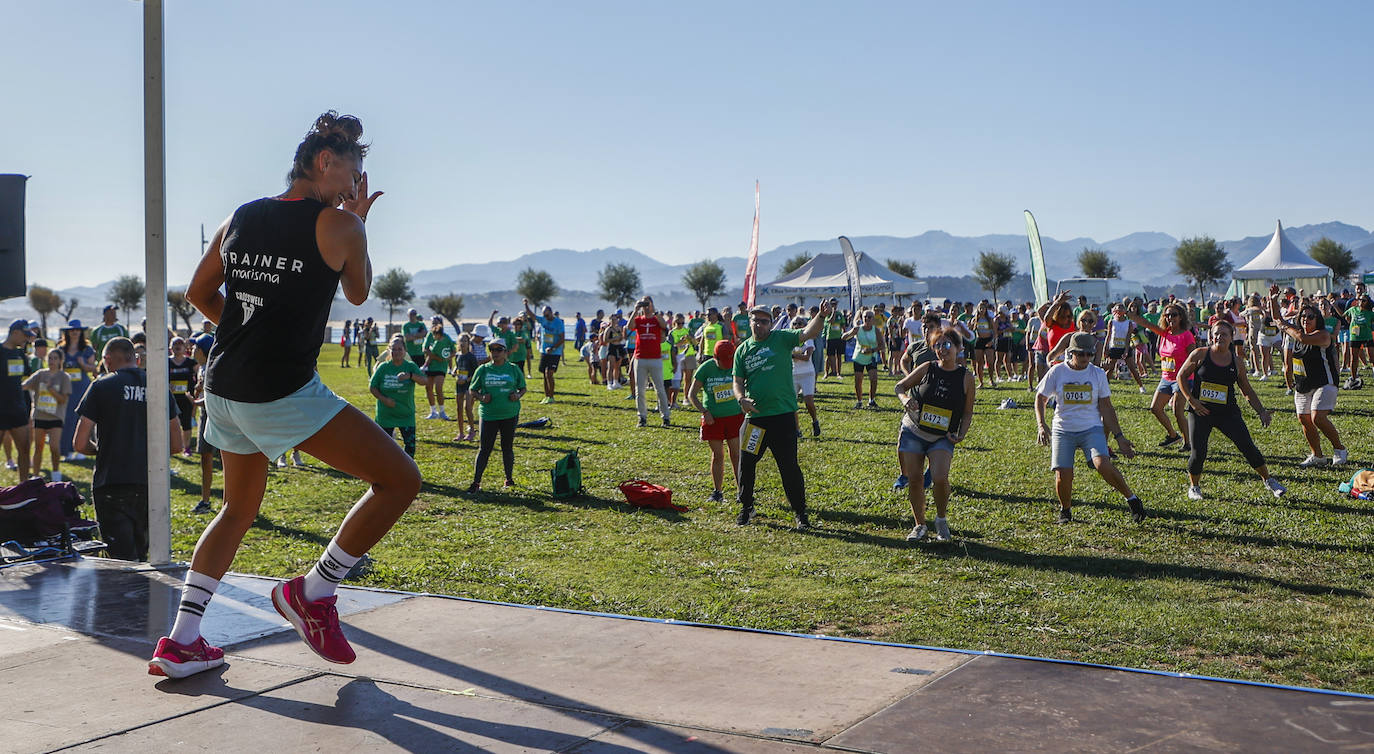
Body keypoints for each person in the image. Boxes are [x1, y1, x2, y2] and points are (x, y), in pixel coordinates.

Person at [149, 111, 419, 680]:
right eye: (353, 171)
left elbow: (199, 292)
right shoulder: (341, 225)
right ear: (325, 161)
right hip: (280, 391)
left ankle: (181, 640)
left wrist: (246, 337)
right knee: (399, 480)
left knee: (237, 509)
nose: (355, 185)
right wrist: (359, 225)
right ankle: (314, 591)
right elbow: (360, 291)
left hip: (222, 387)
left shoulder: (241, 216)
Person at [73, 337, 183, 560]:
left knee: (119, 563)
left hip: (111, 481)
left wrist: (101, 450)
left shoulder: (101, 385)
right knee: (143, 558)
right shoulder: (158, 386)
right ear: (137, 359)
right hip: (150, 482)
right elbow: (177, 444)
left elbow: (79, 442)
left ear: (107, 360)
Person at [733, 301, 834, 529]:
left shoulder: (782, 338)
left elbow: (810, 332)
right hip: (755, 419)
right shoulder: (743, 349)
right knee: (747, 464)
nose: (759, 325)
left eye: (764, 321)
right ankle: (747, 507)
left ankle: (800, 513)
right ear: (750, 322)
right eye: (755, 320)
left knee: (789, 467)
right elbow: (737, 381)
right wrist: (741, 399)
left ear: (771, 323)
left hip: (782, 417)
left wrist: (821, 316)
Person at [1034, 333, 1147, 524]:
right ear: (1071, 353)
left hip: (1091, 428)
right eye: (1081, 354)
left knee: (1102, 464)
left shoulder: (1097, 374)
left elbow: (1106, 407)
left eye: (1089, 354)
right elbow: (1041, 398)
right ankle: (1065, 510)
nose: (1086, 358)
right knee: (1063, 473)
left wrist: (1119, 437)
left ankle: (1133, 500)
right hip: (1063, 429)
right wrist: (1041, 424)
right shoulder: (1057, 372)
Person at [1174, 320, 1286, 500]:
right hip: (1201, 411)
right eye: (1216, 333)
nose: (1219, 337)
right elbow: (1181, 376)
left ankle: (1269, 480)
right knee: (1198, 451)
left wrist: (1261, 411)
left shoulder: (1237, 362)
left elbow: (1246, 389)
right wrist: (1192, 401)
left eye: (1224, 334)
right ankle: (1194, 487)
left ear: (1232, 338)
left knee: (1247, 446)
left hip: (1227, 412)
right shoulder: (1200, 354)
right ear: (1211, 336)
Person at [894, 327, 976, 542]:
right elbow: (900, 386)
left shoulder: (967, 378)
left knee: (940, 478)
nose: (942, 349)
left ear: (958, 348)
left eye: (947, 344)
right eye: (937, 345)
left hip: (942, 436)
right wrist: (904, 400)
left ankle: (940, 519)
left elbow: (967, 412)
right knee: (914, 480)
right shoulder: (927, 367)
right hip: (914, 430)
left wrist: (962, 434)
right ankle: (919, 525)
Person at [1268, 288, 1346, 466]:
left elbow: (1301, 337)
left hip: (1324, 382)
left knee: (1317, 417)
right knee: (1304, 418)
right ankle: (1317, 455)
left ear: (1317, 319)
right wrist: (1273, 300)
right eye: (1303, 317)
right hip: (1303, 384)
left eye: (1310, 317)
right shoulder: (1295, 331)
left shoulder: (1323, 335)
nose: (1306, 320)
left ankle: (1339, 449)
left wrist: (1285, 326)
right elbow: (1277, 320)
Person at [1126, 301, 1193, 450]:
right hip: (1166, 378)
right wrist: (1129, 314)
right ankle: (1173, 435)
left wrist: (1187, 378)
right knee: (1155, 408)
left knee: (1177, 410)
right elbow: (1145, 323)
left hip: (1182, 378)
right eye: (1167, 315)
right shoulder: (1164, 333)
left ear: (1181, 317)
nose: (1170, 318)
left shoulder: (1186, 336)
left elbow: (1194, 359)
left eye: (1174, 315)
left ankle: (1188, 443)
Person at [686, 340, 744, 503]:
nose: (726, 365)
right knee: (718, 455)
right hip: (713, 420)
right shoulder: (706, 368)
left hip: (734, 417)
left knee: (736, 454)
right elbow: (692, 395)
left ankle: (742, 491)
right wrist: (705, 412)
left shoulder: (736, 364)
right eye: (722, 361)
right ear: (714, 356)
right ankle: (717, 492)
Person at [467, 338, 525, 492]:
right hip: (489, 415)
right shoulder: (483, 370)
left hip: (509, 414)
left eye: (499, 350)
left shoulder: (513, 369)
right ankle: (476, 482)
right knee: (484, 449)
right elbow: (472, 390)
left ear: (505, 352)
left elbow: (523, 387)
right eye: (492, 350)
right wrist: (481, 398)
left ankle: (509, 479)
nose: (495, 353)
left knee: (507, 447)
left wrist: (517, 396)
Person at [371, 335, 428, 458]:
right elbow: (373, 387)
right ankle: (384, 473)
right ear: (389, 351)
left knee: (410, 448)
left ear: (405, 351)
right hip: (385, 415)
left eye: (399, 349)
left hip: (405, 414)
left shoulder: (410, 366)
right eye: (394, 349)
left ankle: (407, 474)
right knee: (382, 447)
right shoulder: (383, 367)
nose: (396, 352)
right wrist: (384, 399)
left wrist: (411, 375)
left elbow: (424, 381)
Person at [24, 348, 71, 481]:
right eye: (50, 358)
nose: (52, 361)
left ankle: (56, 473)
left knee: (54, 447)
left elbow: (63, 400)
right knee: (38, 447)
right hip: (39, 416)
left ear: (61, 361)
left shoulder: (64, 377)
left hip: (56, 417)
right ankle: (36, 476)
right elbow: (25, 385)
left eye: (55, 358)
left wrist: (50, 389)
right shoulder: (40, 374)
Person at [1, 320, 36, 482]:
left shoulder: (21, 354)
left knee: (24, 449)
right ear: (15, 333)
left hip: (18, 409)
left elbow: (26, 377)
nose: (26, 340)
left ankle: (24, 486)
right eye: (25, 336)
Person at [630, 297, 671, 427]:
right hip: (640, 358)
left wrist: (654, 311)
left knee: (660, 389)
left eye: (648, 303)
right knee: (640, 390)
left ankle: (665, 416)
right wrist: (635, 310)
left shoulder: (656, 319)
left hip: (655, 358)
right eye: (644, 304)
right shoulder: (638, 319)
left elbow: (665, 326)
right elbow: (629, 327)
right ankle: (642, 417)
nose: (646, 306)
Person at [58, 320, 96, 460]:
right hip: (66, 388)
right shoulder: (61, 349)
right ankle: (66, 451)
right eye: (72, 330)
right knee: (66, 418)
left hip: (82, 387)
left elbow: (93, 368)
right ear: (67, 332)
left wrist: (83, 364)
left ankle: (81, 449)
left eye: (78, 330)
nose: (75, 332)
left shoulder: (87, 349)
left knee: (80, 418)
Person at [526, 298, 564, 404]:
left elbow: (562, 338)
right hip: (544, 352)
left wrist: (553, 348)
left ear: (551, 313)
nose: (545, 317)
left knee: (549, 373)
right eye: (544, 315)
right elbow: (531, 315)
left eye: (547, 315)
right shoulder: (543, 320)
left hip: (554, 352)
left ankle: (551, 397)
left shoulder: (558, 323)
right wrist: (526, 305)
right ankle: (546, 396)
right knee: (544, 374)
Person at [843, 310, 881, 408]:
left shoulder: (876, 330)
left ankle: (871, 400)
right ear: (862, 318)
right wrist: (851, 332)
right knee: (858, 380)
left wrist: (871, 350)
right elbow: (843, 337)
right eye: (865, 317)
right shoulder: (858, 329)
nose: (867, 319)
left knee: (874, 379)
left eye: (869, 317)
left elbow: (882, 345)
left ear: (873, 319)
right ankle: (859, 401)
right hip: (859, 357)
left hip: (871, 357)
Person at [1102, 305, 1145, 392]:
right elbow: (1108, 336)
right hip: (1114, 347)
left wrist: (1126, 350)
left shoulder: (1128, 323)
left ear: (1125, 311)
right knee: (1110, 368)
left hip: (1124, 347)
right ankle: (1104, 388)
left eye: (1121, 308)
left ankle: (1141, 386)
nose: (1119, 311)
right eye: (1117, 308)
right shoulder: (1112, 322)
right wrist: (1105, 348)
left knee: (1132, 368)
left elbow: (1128, 337)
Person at [791, 316, 821, 437]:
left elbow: (806, 357)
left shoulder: (808, 339)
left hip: (807, 373)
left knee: (808, 402)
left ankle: (815, 421)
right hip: (793, 374)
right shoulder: (790, 340)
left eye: (800, 323)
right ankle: (797, 429)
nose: (797, 326)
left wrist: (792, 355)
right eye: (795, 324)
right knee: (792, 403)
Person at [168, 337, 198, 457]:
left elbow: (200, 377)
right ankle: (172, 447)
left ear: (185, 348)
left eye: (180, 343)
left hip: (186, 398)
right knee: (171, 423)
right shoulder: (166, 362)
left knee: (186, 423)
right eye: (175, 344)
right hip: (171, 398)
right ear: (170, 348)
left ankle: (186, 448)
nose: (178, 346)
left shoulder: (191, 363)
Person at [421, 316, 454, 420]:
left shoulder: (447, 337)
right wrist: (434, 356)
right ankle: (433, 411)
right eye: (432, 323)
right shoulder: (430, 335)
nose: (434, 325)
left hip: (441, 367)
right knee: (428, 388)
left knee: (438, 388)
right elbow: (424, 349)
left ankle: (442, 411)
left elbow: (453, 351)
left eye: (436, 323)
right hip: (430, 366)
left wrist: (446, 358)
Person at [450, 333, 479, 443]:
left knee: (467, 408)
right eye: (461, 341)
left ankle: (471, 430)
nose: (462, 343)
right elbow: (457, 366)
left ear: (468, 343)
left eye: (465, 341)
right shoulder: (457, 355)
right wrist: (453, 372)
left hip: (468, 385)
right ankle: (461, 433)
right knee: (459, 409)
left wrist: (466, 380)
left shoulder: (471, 357)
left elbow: (476, 373)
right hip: (459, 384)